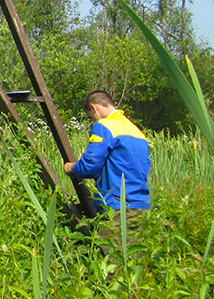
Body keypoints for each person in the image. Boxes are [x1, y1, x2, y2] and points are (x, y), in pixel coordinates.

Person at [63, 91, 151, 231]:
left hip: (117, 207)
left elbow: (90, 165)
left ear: (94, 107)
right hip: (141, 205)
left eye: (90, 116)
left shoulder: (104, 125)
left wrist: (72, 168)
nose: (93, 120)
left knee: (111, 251)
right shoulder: (136, 131)